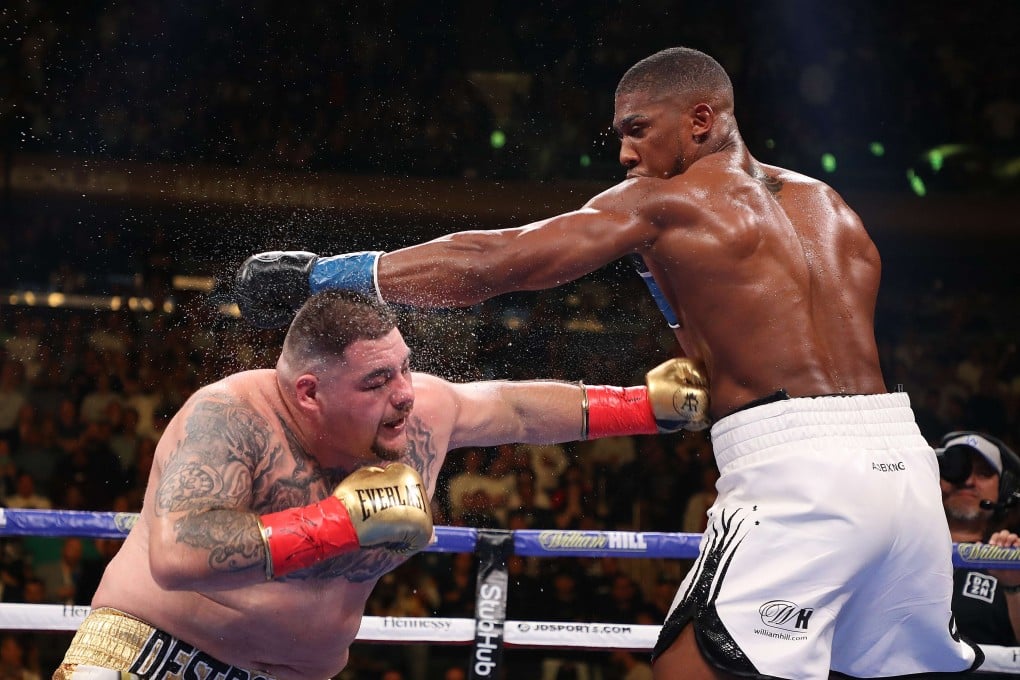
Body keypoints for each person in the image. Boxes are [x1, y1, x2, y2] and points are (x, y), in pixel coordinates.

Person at [234, 47, 985, 678]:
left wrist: (323, 275)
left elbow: (501, 262)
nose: (625, 153)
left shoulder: (668, 201)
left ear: (702, 120)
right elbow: (767, 322)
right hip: (903, 466)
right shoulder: (833, 208)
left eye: (637, 130)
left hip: (802, 472)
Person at [55, 290, 705, 680]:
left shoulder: (420, 411)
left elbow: (516, 409)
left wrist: (644, 406)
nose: (403, 395)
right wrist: (337, 524)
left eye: (405, 368)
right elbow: (177, 556)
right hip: (152, 653)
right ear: (309, 393)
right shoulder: (231, 418)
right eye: (376, 382)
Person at [936, 431, 1020, 646]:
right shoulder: (895, 549)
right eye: (956, 470)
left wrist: (1013, 588)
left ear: (1003, 490)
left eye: (983, 473)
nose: (968, 481)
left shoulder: (1012, 562)